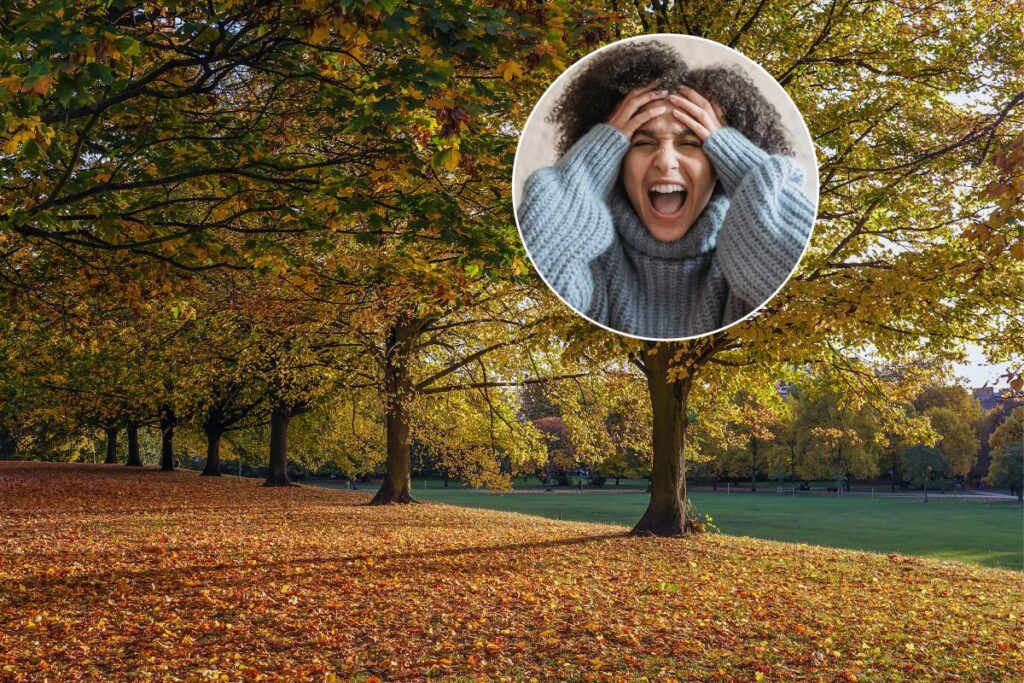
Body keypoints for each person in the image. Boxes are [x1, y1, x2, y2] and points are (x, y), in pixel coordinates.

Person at [518, 41, 815, 339]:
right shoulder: (589, 261)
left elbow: (798, 276)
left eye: (690, 144)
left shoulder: (747, 268)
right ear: (618, 160)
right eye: (643, 143)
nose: (665, 161)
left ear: (719, 164)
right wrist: (594, 157)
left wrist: (738, 160)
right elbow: (537, 273)